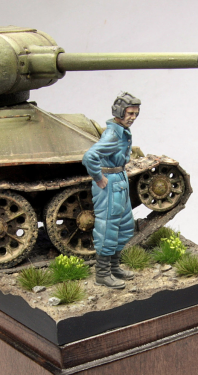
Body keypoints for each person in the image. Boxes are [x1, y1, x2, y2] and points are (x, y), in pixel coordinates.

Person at [82, 92, 141, 289]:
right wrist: (98, 178)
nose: (133, 117)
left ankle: (114, 268)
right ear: (119, 112)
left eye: (135, 113)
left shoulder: (122, 131)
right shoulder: (112, 134)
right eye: (130, 113)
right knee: (107, 228)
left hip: (120, 179)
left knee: (124, 227)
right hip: (109, 183)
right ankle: (102, 274)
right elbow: (90, 156)